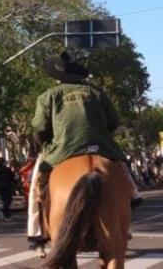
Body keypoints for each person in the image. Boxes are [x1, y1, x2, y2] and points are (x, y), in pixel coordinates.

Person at [26, 51, 141, 251]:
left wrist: (45, 142)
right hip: (102, 148)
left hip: (62, 150)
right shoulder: (96, 92)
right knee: (121, 167)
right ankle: (133, 193)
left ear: (57, 76)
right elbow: (113, 122)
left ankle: (36, 232)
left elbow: (39, 128)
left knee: (38, 180)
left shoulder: (49, 95)